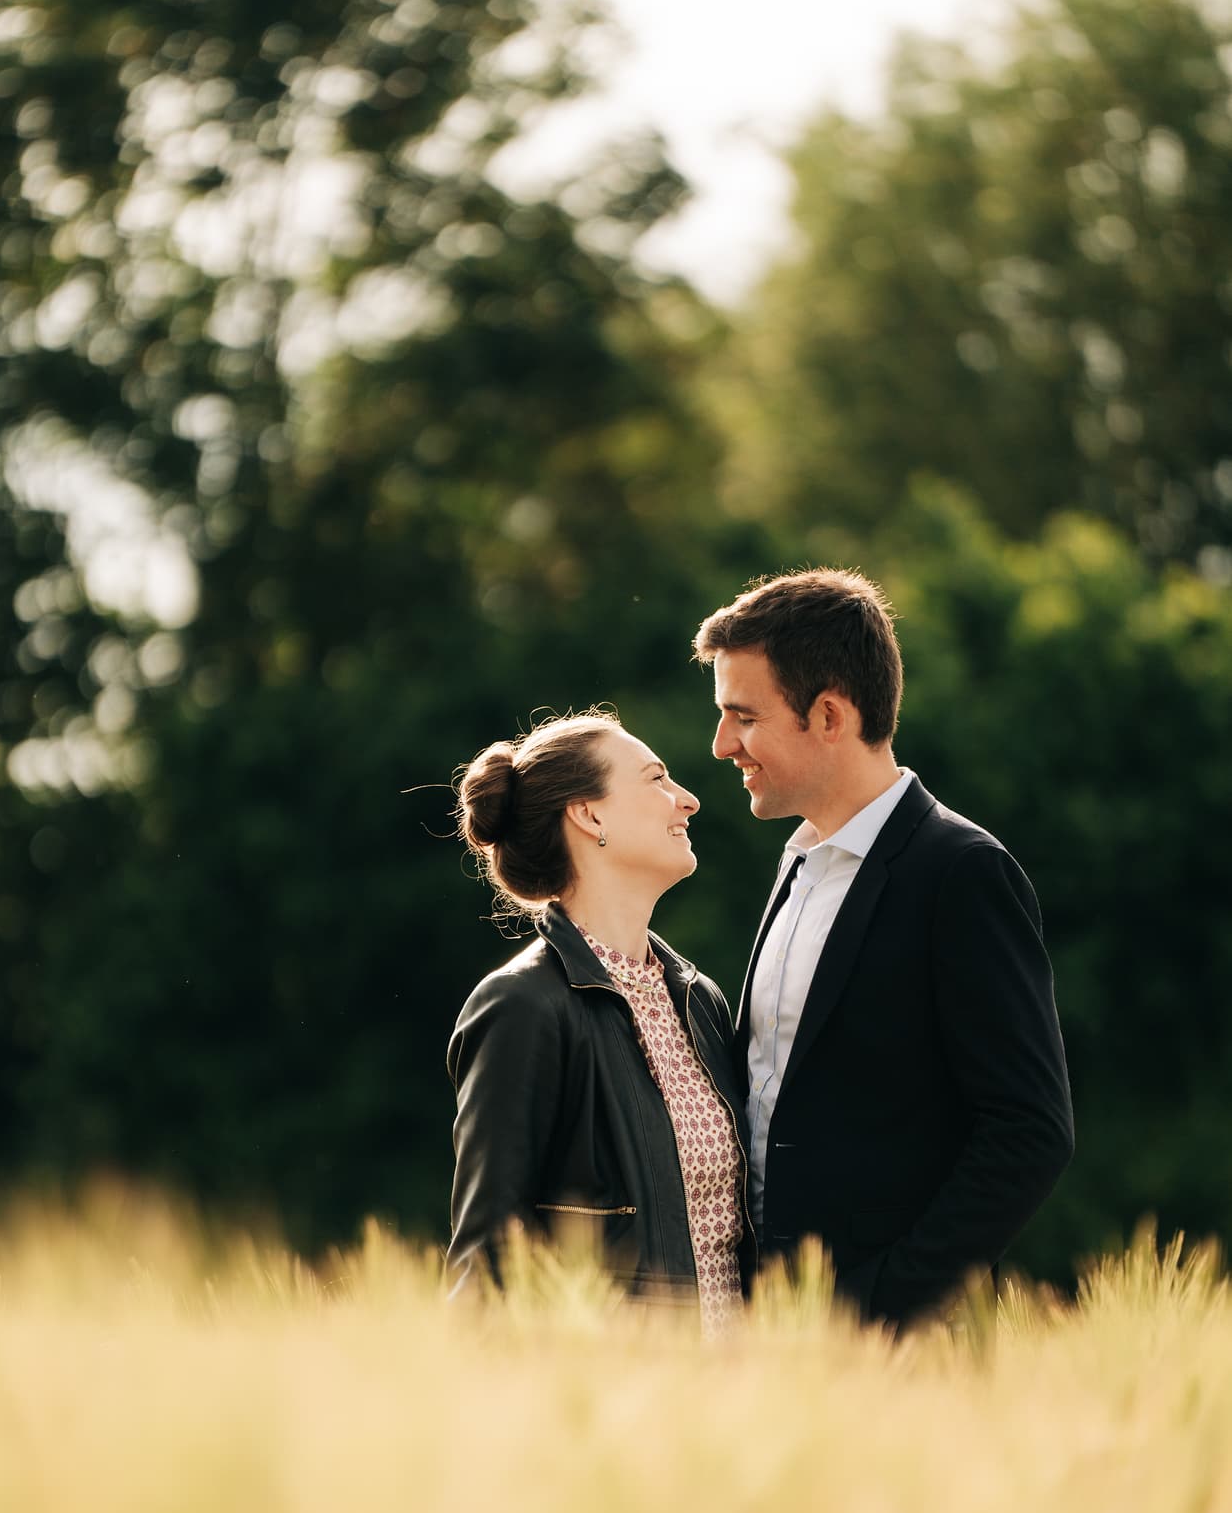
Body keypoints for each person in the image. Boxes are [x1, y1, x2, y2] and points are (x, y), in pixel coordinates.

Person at [693, 567, 1074, 1330]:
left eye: (743, 716)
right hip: (765, 1328)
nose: (721, 744)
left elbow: (1030, 1131)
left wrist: (880, 1306)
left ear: (829, 715)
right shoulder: (795, 865)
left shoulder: (960, 871)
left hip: (899, 1343)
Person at [446, 711, 756, 1332]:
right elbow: (487, 1259)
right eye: (656, 779)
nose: (688, 800)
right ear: (590, 816)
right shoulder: (522, 1006)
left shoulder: (701, 1001)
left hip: (734, 1400)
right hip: (615, 1397)